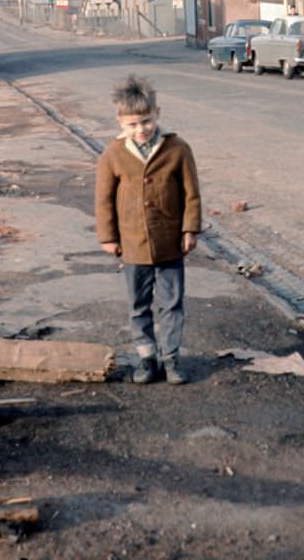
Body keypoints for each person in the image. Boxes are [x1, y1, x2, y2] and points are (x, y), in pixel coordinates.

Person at [96, 74, 201, 385]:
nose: (140, 130)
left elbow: (191, 193)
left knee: (171, 303)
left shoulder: (178, 149)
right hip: (132, 245)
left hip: (171, 243)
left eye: (146, 121)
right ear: (120, 122)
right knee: (138, 305)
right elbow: (103, 199)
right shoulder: (113, 154)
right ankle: (147, 359)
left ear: (158, 114)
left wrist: (190, 230)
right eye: (132, 124)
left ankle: (171, 359)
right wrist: (108, 237)